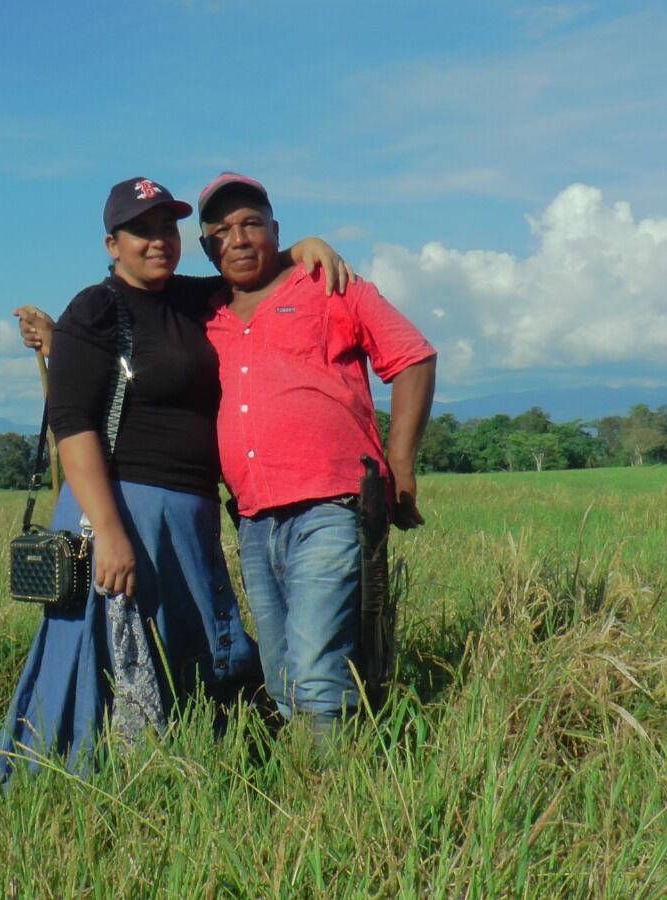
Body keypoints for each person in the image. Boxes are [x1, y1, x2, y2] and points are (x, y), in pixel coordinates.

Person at [0, 177, 353, 778]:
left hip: (190, 513)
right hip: (119, 510)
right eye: (141, 230)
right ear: (112, 244)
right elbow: (72, 426)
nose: (158, 240)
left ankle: (199, 768)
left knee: (195, 650)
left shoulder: (192, 299)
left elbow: (252, 264)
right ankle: (87, 778)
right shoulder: (96, 308)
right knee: (112, 652)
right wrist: (111, 534)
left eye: (168, 228)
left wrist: (304, 247)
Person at [195, 172, 436, 729]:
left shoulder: (329, 285)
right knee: (281, 672)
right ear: (207, 247)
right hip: (254, 520)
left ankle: (331, 779)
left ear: (276, 230)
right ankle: (306, 770)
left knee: (316, 665)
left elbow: (412, 358)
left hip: (332, 504)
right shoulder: (206, 313)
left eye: (251, 224)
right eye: (222, 231)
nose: (238, 239)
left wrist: (400, 465)